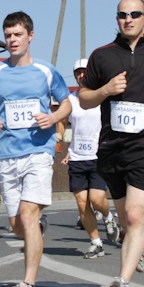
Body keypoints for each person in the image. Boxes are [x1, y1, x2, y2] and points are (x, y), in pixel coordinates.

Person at [78, 0, 144, 287]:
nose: (128, 19)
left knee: (133, 215)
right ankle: (140, 239)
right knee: (125, 220)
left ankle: (122, 284)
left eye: (134, 14)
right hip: (111, 147)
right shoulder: (102, 55)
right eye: (122, 15)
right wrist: (105, 90)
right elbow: (84, 98)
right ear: (117, 19)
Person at [0, 12, 71, 287]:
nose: (12, 40)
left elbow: (66, 102)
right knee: (17, 225)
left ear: (30, 36)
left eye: (17, 34)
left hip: (39, 152)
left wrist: (53, 118)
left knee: (27, 216)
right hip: (7, 155)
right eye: (8, 35)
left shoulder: (46, 71)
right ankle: (36, 227)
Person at [59, 58, 119, 259]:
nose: (81, 75)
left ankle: (108, 218)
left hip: (98, 156)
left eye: (85, 71)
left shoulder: (102, 97)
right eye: (78, 72)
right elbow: (62, 121)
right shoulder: (70, 100)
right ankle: (96, 243)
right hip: (77, 157)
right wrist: (59, 135)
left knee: (96, 199)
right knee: (82, 203)